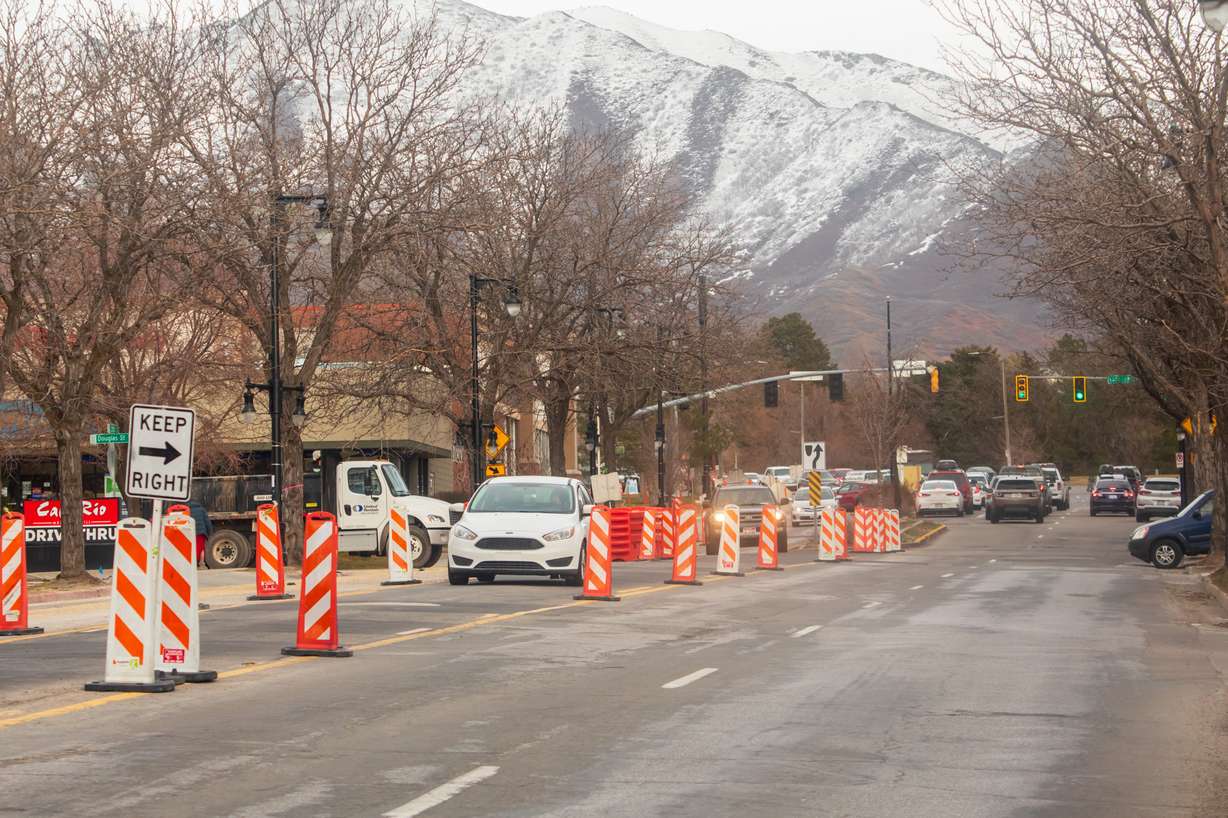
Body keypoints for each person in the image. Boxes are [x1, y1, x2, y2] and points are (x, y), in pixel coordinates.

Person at [188, 499, 213, 568]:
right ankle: (201, 563)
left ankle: (191, 562)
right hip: (201, 532)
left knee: (191, 547)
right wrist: (210, 531)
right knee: (201, 548)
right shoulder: (202, 510)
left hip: (190, 532)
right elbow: (207, 522)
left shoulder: (187, 510)